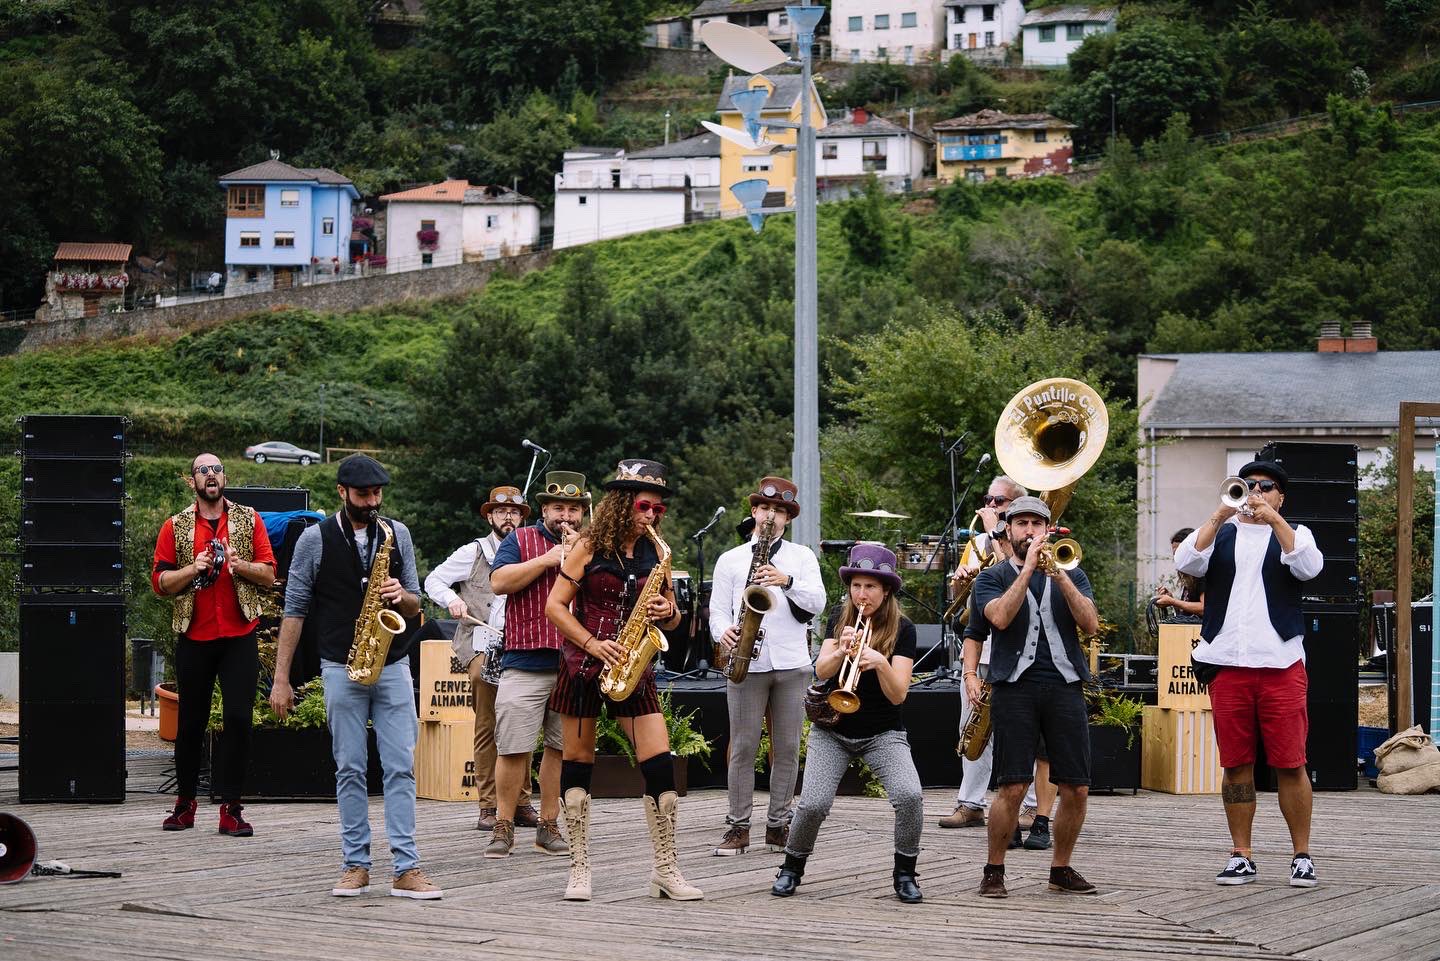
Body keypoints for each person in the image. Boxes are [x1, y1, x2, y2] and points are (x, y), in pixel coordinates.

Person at [269, 454, 441, 900]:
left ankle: (407, 866)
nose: (373, 501)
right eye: (364, 494)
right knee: (349, 767)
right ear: (342, 493)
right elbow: (295, 609)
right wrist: (280, 678)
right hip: (340, 664)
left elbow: (416, 605)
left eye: (378, 493)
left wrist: (400, 595)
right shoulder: (314, 539)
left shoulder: (396, 533)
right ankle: (355, 864)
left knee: (401, 767)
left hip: (393, 662)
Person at [545, 459, 700, 902]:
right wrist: (592, 644)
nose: (652, 516)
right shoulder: (589, 546)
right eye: (644, 507)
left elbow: (672, 617)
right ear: (622, 504)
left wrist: (668, 613)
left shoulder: (658, 553)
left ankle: (666, 869)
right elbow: (556, 606)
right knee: (578, 762)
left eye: (658, 509)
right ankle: (579, 868)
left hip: (635, 665)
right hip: (584, 665)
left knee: (660, 763)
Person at [1174, 460, 1324, 888]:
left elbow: (1309, 567)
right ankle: (1241, 853)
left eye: (1266, 487)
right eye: (1248, 485)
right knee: (1236, 764)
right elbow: (1187, 560)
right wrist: (1222, 511)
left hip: (1280, 665)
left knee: (1291, 764)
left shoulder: (1295, 534)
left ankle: (1302, 854)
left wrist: (1273, 519)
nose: (1255, 492)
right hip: (1229, 665)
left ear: (1281, 496)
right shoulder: (1221, 532)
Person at [771, 543, 924, 905]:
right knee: (813, 805)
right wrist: (840, 650)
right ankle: (791, 867)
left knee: (910, 796)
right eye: (856, 586)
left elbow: (899, 694)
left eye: (870, 587)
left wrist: (881, 663)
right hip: (833, 730)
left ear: (886, 590)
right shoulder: (840, 615)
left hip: (883, 732)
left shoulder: (904, 629)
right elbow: (821, 671)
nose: (861, 595)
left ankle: (905, 872)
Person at [965, 495, 1100, 898]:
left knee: (1076, 786)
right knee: (1013, 785)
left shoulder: (1071, 572)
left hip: (1064, 685)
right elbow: (1000, 618)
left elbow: (1091, 624)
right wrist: (1025, 571)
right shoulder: (991, 577)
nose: (1029, 531)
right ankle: (994, 869)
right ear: (1008, 531)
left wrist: (1059, 576)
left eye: (1035, 525)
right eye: (1020, 524)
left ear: (1047, 529)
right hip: (1015, 688)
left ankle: (1061, 869)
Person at [152, 453, 276, 836]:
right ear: (192, 482)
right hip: (195, 636)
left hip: (239, 634)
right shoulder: (175, 526)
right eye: (203, 470)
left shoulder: (248, 518)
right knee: (191, 723)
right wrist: (194, 568)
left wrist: (240, 566)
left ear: (224, 478)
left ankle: (232, 808)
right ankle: (185, 804)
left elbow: (270, 575)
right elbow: (160, 583)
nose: (211, 475)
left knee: (239, 720)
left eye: (216, 469)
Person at [708, 475, 826, 856]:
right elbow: (717, 610)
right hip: (747, 660)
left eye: (779, 510)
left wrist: (786, 580)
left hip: (792, 662)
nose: (771, 515)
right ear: (754, 511)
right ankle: (738, 826)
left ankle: (778, 823)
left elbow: (818, 602)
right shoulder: (731, 559)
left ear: (787, 518)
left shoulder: (801, 557)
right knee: (743, 746)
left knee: (788, 747)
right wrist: (722, 633)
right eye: (765, 508)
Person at [939, 475, 1052, 847]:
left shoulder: (1030, 544)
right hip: (983, 650)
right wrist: (960, 581)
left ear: (1015, 509)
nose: (990, 507)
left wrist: (999, 537)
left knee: (1028, 736)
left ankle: (1031, 808)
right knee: (971, 729)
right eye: (988, 500)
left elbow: (1015, 577)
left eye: (999, 502)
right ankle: (970, 803)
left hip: (1021, 655)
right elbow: (966, 600)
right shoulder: (976, 543)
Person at [483, 472, 589, 859]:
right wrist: (547, 560)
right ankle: (503, 825)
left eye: (574, 509)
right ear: (544, 509)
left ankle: (548, 825)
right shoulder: (519, 539)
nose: (566, 516)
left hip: (573, 662)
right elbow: (498, 582)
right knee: (512, 749)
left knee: (559, 750)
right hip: (524, 661)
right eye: (559, 508)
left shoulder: (593, 546)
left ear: (583, 513)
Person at [423, 484, 532, 832]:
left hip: (521, 645)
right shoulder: (474, 551)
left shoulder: (530, 550)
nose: (508, 517)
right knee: (488, 725)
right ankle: (488, 806)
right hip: (481, 643)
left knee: (522, 722)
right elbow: (434, 580)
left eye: (514, 512)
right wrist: (452, 601)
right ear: (490, 516)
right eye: (501, 512)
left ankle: (521, 802)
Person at [1155, 527, 1206, 618]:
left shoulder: (1202, 573)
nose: (1177, 559)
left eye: (1179, 553)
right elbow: (1187, 613)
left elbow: (1204, 608)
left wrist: (1173, 601)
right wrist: (1171, 600)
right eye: (1175, 555)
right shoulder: (1189, 574)